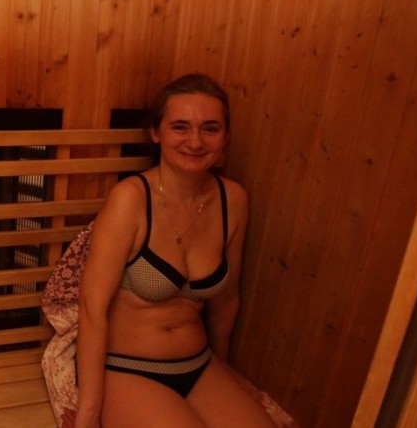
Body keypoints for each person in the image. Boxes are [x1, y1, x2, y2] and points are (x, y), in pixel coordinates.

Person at [73, 73, 275, 427]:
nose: (195, 141)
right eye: (180, 127)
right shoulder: (131, 199)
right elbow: (93, 308)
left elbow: (226, 302)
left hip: (199, 364)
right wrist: (88, 412)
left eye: (210, 128)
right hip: (128, 368)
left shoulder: (233, 200)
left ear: (225, 136)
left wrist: (224, 372)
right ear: (156, 133)